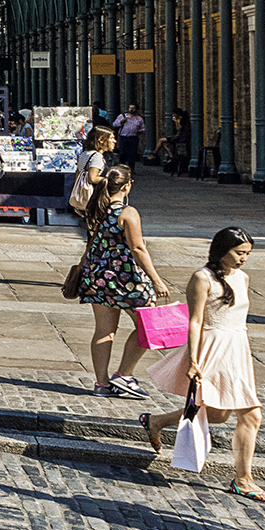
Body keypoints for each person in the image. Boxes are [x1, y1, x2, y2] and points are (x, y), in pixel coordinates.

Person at [135, 226, 265, 501]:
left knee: (221, 414)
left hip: (237, 348)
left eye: (247, 253)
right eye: (238, 252)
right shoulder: (201, 277)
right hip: (213, 349)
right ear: (221, 250)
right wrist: (194, 360)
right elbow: (195, 320)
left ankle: (157, 421)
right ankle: (243, 480)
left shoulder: (242, 278)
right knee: (251, 415)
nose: (243, 258)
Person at [67, 165, 165, 397]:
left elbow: (92, 242)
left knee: (104, 330)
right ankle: (124, 375)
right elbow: (138, 249)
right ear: (127, 186)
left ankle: (101, 383)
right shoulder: (128, 213)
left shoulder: (95, 209)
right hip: (127, 278)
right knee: (149, 326)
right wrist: (157, 280)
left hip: (98, 276)